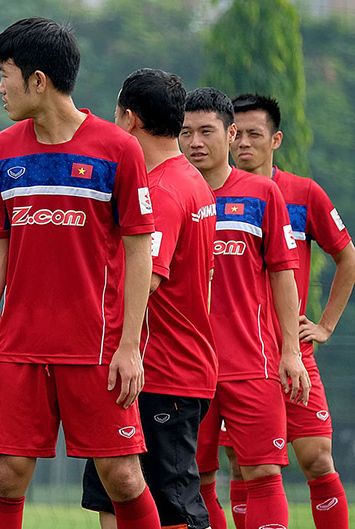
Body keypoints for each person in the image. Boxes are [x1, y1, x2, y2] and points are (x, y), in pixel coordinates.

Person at [0, 18, 161, 529]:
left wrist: (130, 345)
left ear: (38, 80)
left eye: (5, 75)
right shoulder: (0, 150)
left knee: (123, 477)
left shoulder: (118, 149)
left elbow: (140, 251)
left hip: (98, 349)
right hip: (20, 348)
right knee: (5, 476)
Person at [81, 68, 217, 529]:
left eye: (116, 112)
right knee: (112, 494)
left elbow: (147, 280)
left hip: (161, 370)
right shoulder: (191, 180)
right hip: (159, 367)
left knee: (174, 506)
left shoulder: (160, 191)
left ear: (131, 119)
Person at [179, 87, 311, 529]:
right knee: (194, 479)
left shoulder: (262, 193)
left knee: (263, 473)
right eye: (185, 132)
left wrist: (290, 351)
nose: (195, 142)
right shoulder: (169, 191)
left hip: (252, 362)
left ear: (230, 134)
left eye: (206, 131)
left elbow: (283, 273)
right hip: (186, 366)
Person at [228, 93, 354, 529]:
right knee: (244, 466)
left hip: (292, 352)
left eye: (255, 134)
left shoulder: (303, 193)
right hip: (237, 356)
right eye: (237, 134)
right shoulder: (210, 193)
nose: (244, 143)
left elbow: (347, 257)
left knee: (317, 458)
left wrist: (325, 325)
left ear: (276, 139)